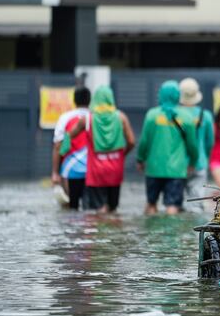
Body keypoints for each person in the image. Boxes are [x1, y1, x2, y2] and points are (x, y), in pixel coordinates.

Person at [70, 85, 136, 213]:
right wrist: (123, 154)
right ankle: (113, 231)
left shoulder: (87, 119)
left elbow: (69, 136)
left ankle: (101, 232)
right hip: (115, 168)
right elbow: (132, 141)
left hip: (96, 171)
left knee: (99, 209)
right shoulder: (121, 117)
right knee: (113, 208)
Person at [137, 80, 198, 215]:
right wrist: (192, 163)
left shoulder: (152, 115)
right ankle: (171, 233)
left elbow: (144, 142)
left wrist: (140, 159)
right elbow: (192, 145)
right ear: (177, 96)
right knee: (173, 206)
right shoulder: (187, 117)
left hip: (153, 169)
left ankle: (151, 233)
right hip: (176, 170)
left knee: (151, 203)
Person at [51, 86, 91, 209]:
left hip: (70, 171)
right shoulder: (94, 117)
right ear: (90, 100)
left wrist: (55, 173)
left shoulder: (65, 118)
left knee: (70, 209)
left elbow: (58, 146)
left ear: (74, 100)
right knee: (90, 211)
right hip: (92, 171)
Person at [178, 78, 214, 208]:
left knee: (176, 205)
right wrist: (205, 157)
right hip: (200, 163)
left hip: (178, 165)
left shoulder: (175, 115)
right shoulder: (206, 116)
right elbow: (210, 142)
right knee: (196, 205)